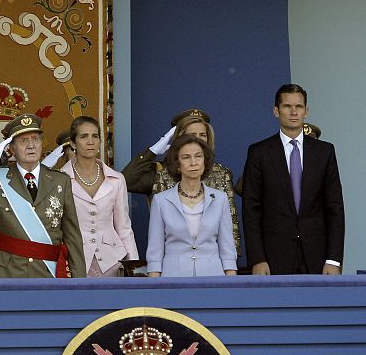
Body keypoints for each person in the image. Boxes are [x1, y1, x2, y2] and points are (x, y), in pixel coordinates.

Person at [0, 113, 85, 278]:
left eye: (35, 139)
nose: (31, 145)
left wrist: (79, 282)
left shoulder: (60, 181)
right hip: (7, 273)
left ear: (41, 144)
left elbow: (72, 236)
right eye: (23, 141)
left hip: (47, 272)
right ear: (11, 149)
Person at [241, 84, 345, 275]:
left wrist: (333, 259)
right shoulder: (259, 152)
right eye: (287, 106)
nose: (294, 112)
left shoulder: (324, 152)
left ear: (307, 111)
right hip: (273, 258)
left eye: (299, 106)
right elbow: (251, 210)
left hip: (318, 257)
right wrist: (257, 258)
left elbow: (335, 209)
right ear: (276, 111)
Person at [122, 109, 240, 256]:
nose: (198, 139)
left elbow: (231, 226)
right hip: (172, 259)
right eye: (191, 135)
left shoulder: (222, 173)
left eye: (202, 135)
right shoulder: (159, 171)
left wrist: (230, 263)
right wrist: (153, 150)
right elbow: (125, 181)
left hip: (212, 260)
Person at [146, 134, 236, 277]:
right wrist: (155, 288)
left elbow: (227, 249)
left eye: (198, 156)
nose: (193, 162)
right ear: (177, 164)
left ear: (205, 161)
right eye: (186, 157)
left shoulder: (220, 198)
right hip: (173, 278)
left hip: (213, 277)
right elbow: (155, 252)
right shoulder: (161, 200)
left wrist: (230, 284)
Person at [59, 116, 138, 276]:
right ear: (73, 143)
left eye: (95, 136)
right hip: (74, 261)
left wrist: (133, 266)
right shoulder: (59, 179)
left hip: (112, 261)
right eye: (83, 136)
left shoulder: (116, 179)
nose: (90, 141)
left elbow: (123, 227)